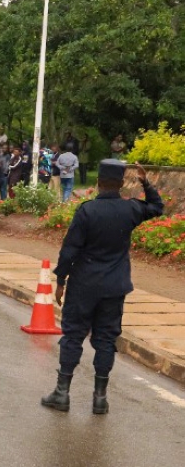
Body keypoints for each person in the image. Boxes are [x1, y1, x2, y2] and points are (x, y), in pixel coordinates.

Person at [41, 161, 163, 415]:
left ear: (98, 183)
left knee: (73, 335)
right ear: (121, 183)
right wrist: (146, 183)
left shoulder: (87, 211)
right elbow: (156, 207)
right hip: (114, 286)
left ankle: (62, 393)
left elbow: (70, 249)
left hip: (83, 285)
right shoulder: (131, 209)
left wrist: (61, 281)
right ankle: (100, 398)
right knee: (106, 340)